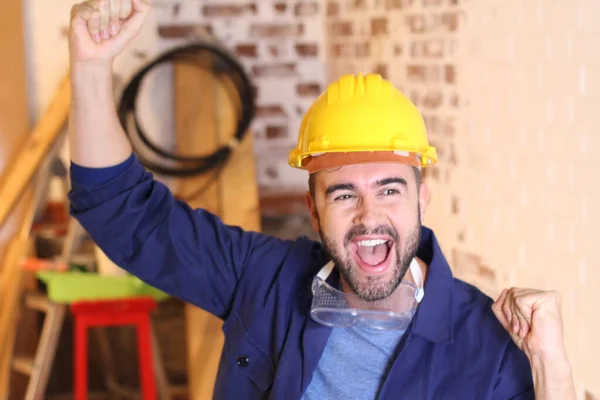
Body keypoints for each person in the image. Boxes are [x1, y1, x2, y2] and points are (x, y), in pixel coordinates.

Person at [66, 0, 576, 399]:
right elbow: (122, 213)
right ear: (313, 210)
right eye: (343, 192)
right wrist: (90, 68)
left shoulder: (486, 342)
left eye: (390, 189)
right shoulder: (264, 280)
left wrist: (551, 363)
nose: (368, 215)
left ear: (423, 200)